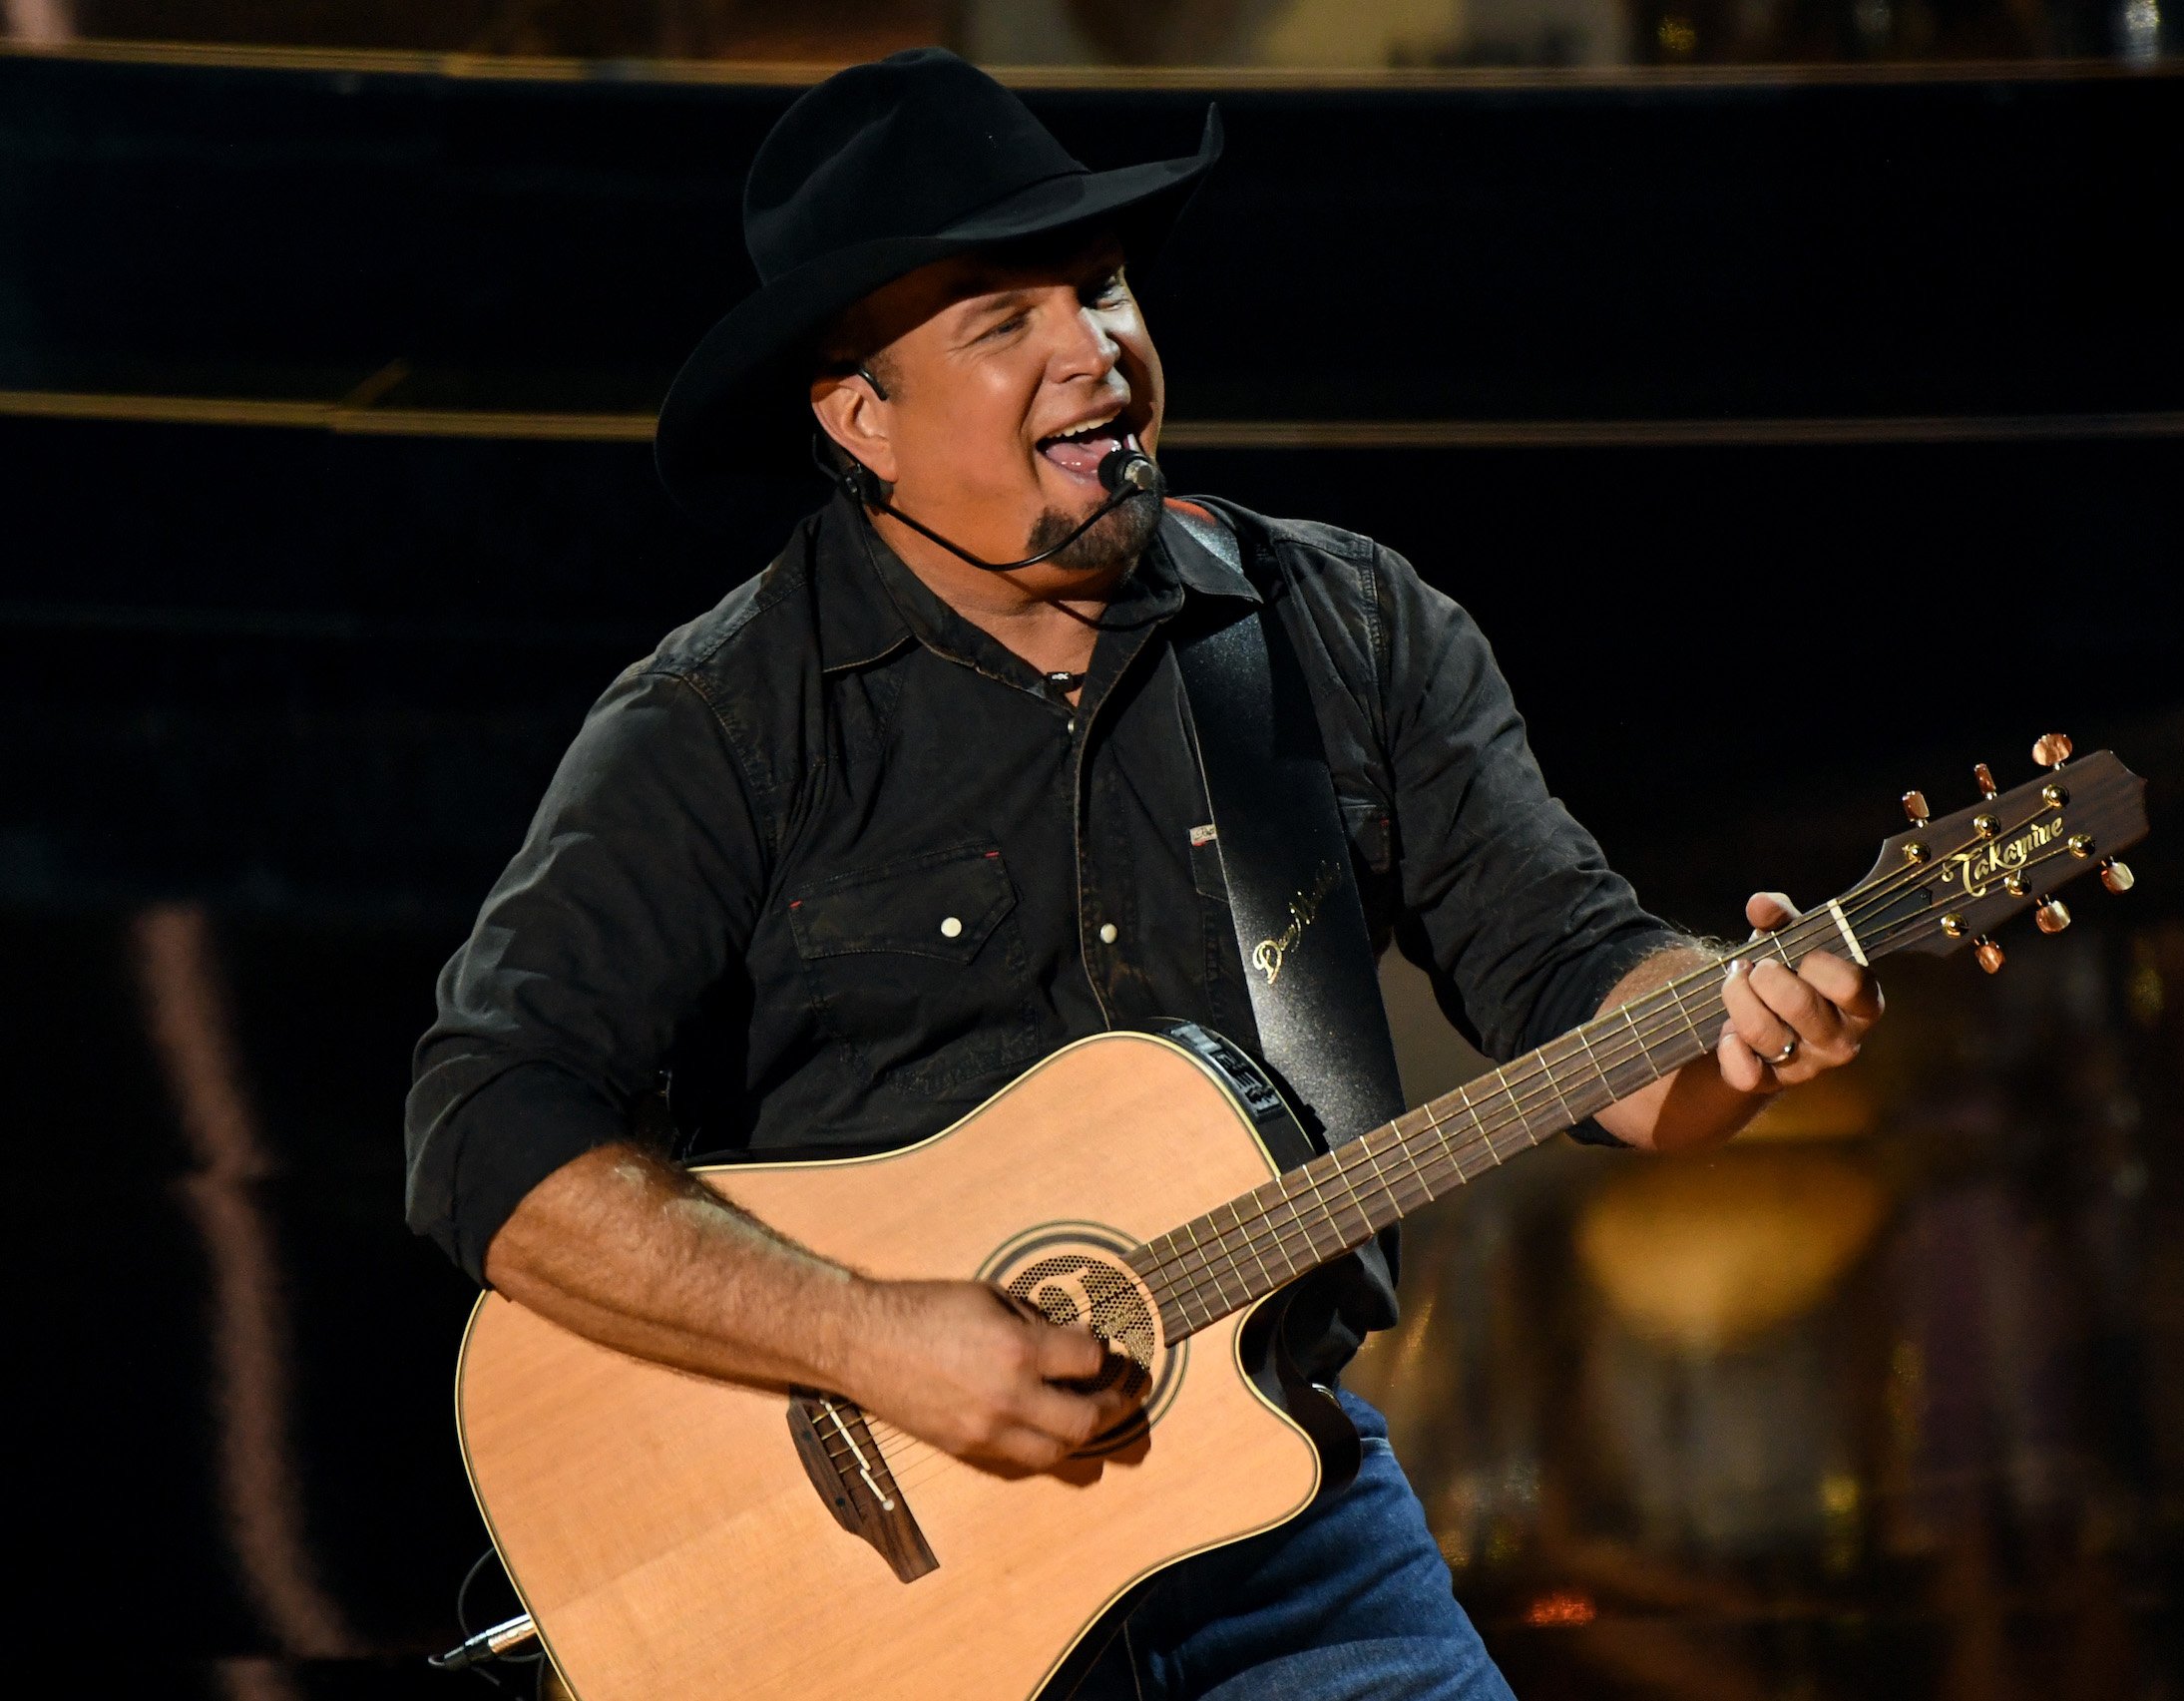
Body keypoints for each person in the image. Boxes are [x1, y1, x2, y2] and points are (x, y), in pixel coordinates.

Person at [404, 48, 1883, 1701]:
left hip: (1280, 1539)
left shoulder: (1344, 630)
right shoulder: (720, 722)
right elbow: (486, 1130)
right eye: (1001, 322)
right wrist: (874, 1338)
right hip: (877, 1606)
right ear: (857, 416)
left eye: (1098, 288)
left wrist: (1729, 1021)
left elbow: (1582, 989)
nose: (1089, 348)